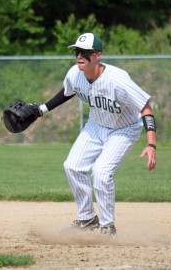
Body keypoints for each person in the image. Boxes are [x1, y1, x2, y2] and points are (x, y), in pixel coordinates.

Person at [38, 32, 157, 238]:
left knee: (101, 173)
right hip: (95, 125)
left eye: (86, 52)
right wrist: (42, 109)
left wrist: (151, 144)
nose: (80, 56)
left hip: (124, 129)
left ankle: (107, 226)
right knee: (72, 166)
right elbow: (67, 92)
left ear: (98, 55)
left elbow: (145, 108)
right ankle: (86, 219)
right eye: (77, 51)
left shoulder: (118, 80)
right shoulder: (75, 74)